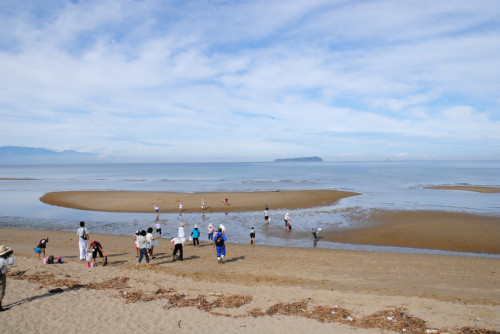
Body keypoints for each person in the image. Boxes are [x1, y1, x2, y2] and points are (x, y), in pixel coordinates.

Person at [0, 245, 14, 312]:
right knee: (1, 291)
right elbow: (11, 262)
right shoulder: (2, 260)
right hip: (1, 276)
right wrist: (10, 256)